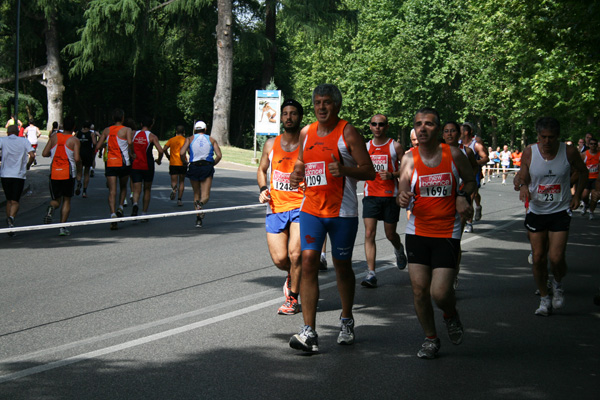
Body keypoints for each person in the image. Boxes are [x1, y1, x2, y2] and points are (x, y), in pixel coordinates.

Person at [288, 83, 375, 353]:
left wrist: (345, 169)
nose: (321, 107)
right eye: (317, 103)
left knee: (341, 266)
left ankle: (347, 319)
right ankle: (309, 331)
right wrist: (296, 172)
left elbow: (369, 171)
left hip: (342, 212)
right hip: (311, 209)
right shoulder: (307, 132)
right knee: (309, 260)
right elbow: (302, 161)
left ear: (336, 105)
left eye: (326, 102)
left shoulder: (347, 132)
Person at [397, 108, 475, 359]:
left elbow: (471, 180)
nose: (422, 128)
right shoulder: (409, 158)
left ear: (438, 129)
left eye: (429, 124)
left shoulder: (453, 154)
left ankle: (450, 315)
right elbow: (402, 191)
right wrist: (402, 196)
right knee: (419, 290)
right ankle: (431, 339)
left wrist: (463, 195)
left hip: (447, 231)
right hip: (417, 230)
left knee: (440, 293)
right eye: (418, 123)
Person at [514, 117, 588, 316]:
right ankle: (544, 298)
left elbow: (583, 172)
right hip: (537, 210)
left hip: (560, 210)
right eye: (543, 137)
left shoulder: (569, 151)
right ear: (537, 136)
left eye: (551, 137)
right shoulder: (530, 152)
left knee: (556, 258)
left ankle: (557, 283)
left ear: (558, 137)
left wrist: (578, 196)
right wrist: (522, 186)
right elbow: (523, 174)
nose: (547, 142)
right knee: (538, 257)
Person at [257, 99, 305, 315]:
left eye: (293, 113)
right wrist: (264, 188)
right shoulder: (271, 144)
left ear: (299, 117)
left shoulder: (307, 144)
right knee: (280, 259)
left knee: (296, 255)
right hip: (276, 206)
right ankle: (293, 275)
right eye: (285, 113)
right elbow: (262, 169)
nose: (288, 117)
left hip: (301, 206)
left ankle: (292, 298)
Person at [361, 113, 407, 288]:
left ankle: (398, 249)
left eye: (381, 124)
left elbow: (407, 169)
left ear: (386, 126)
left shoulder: (395, 146)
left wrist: (393, 174)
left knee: (390, 234)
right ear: (370, 127)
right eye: (374, 124)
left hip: (390, 195)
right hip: (371, 195)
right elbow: (361, 167)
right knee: (368, 233)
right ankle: (371, 273)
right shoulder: (366, 147)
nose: (377, 127)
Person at [442, 121, 478, 289]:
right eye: (446, 131)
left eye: (453, 131)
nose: (450, 134)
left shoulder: (467, 151)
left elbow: (473, 173)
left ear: (460, 134)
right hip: (442, 200)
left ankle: (453, 273)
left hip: (461, 199)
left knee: (454, 240)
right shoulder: (437, 152)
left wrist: (464, 190)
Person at [41, 116, 82, 236]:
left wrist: (53, 153)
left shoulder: (54, 137)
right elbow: (77, 159)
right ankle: (62, 227)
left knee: (56, 200)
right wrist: (79, 172)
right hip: (68, 173)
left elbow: (44, 153)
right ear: (74, 127)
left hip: (54, 173)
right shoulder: (74, 140)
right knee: (67, 200)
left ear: (62, 125)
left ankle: (51, 209)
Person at [95, 108, 133, 230]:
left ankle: (112, 214)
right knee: (123, 187)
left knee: (112, 190)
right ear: (122, 118)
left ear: (112, 118)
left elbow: (98, 145)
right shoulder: (127, 130)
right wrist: (131, 154)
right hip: (123, 163)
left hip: (111, 163)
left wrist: (107, 144)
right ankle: (120, 207)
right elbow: (130, 143)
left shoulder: (107, 130)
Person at [180, 120, 222, 228]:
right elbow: (219, 155)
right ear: (205, 129)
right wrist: (213, 164)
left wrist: (185, 162)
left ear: (195, 129)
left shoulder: (190, 139)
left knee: (196, 194)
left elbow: (181, 152)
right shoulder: (211, 139)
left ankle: (198, 219)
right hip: (206, 166)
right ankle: (201, 205)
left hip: (194, 166)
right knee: (205, 195)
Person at [0, 125, 35, 236]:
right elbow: (32, 155)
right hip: (18, 175)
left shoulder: (3, 140)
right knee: (15, 201)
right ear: (18, 132)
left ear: (7, 132)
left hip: (5, 175)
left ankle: (10, 226)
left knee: (9, 200)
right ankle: (11, 218)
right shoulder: (23, 141)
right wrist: (28, 165)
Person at [130, 116, 163, 218]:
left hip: (136, 164)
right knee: (147, 189)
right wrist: (159, 160)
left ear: (141, 124)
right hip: (148, 164)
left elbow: (129, 143)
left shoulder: (133, 134)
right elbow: (161, 151)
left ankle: (135, 203)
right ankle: (144, 213)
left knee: (136, 188)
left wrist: (132, 153)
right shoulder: (152, 137)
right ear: (151, 125)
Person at [460, 123, 489, 232]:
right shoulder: (458, 144)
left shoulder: (476, 145)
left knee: (471, 196)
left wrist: (474, 162)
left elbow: (486, 158)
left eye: (460, 130)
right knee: (465, 196)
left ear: (466, 132)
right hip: (461, 173)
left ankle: (469, 223)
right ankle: (477, 207)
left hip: (474, 172)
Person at [163, 125, 187, 206]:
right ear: (184, 132)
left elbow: (164, 149)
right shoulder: (185, 140)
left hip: (173, 162)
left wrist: (168, 156)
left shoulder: (171, 140)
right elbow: (189, 151)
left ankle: (174, 189)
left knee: (174, 181)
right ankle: (179, 200)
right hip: (182, 163)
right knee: (182, 182)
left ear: (176, 132)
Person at [75, 121, 98, 198]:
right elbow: (94, 143)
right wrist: (93, 149)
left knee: (79, 170)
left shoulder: (78, 133)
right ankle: (84, 191)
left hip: (79, 153)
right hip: (88, 153)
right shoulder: (91, 134)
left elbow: (74, 140)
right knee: (86, 172)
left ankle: (78, 182)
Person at [580, 137, 599, 220]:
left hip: (596, 178)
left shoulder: (599, 154)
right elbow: (580, 167)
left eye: (595, 144)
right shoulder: (584, 154)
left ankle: (591, 212)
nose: (593, 146)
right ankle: (586, 204)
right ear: (589, 145)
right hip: (587, 178)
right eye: (591, 144)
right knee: (584, 196)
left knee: (595, 197)